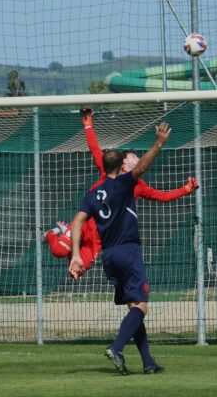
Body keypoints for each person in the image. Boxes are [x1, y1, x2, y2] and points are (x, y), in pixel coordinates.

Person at [41, 107, 198, 277]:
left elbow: (163, 196)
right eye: (132, 156)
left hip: (100, 236)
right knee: (58, 251)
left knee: (79, 270)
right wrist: (87, 123)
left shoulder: (138, 185)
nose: (136, 158)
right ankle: (54, 232)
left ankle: (69, 243)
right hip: (85, 225)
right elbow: (95, 149)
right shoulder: (107, 171)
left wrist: (186, 189)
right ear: (123, 162)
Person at [69, 121, 171, 375]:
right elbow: (144, 166)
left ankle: (147, 361)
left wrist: (75, 256)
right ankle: (116, 348)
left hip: (109, 256)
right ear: (121, 166)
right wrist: (158, 142)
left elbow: (76, 223)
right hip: (128, 251)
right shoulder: (124, 184)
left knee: (133, 306)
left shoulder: (93, 194)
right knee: (142, 306)